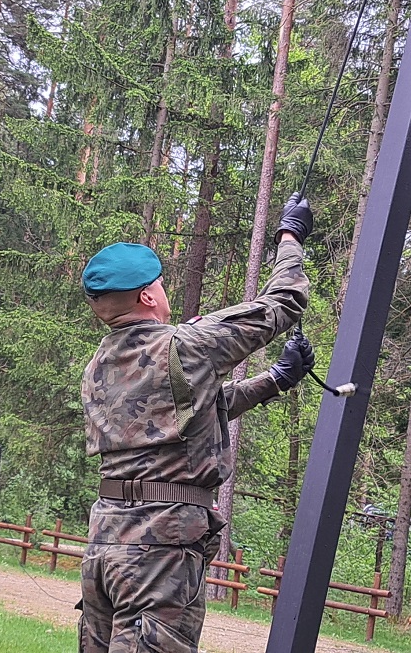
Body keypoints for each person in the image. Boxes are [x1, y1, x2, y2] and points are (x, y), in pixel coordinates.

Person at [77, 193, 316, 653]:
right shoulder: (185, 346)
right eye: (161, 285)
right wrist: (290, 236)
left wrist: (275, 380)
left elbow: (188, 415)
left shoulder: (99, 367)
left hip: (104, 546)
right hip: (159, 553)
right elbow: (284, 301)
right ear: (148, 294)